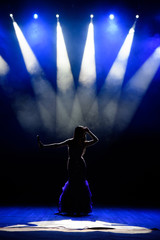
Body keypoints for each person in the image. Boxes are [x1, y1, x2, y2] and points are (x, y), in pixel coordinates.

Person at [37, 126, 99, 215]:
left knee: (80, 183)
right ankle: (70, 206)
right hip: (72, 164)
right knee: (73, 182)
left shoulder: (83, 143)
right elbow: (57, 145)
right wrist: (44, 146)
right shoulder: (71, 141)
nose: (83, 134)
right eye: (82, 133)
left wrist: (89, 131)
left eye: (83, 133)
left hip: (80, 164)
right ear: (78, 133)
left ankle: (80, 207)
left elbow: (96, 140)